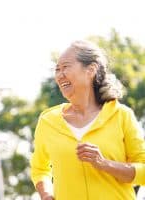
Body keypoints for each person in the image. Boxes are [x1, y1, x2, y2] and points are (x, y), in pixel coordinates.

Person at [30, 40, 145, 200]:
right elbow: (39, 169)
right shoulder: (48, 121)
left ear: (90, 70)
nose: (59, 74)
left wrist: (104, 164)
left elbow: (143, 172)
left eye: (65, 67)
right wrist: (46, 194)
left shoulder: (121, 115)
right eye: (57, 69)